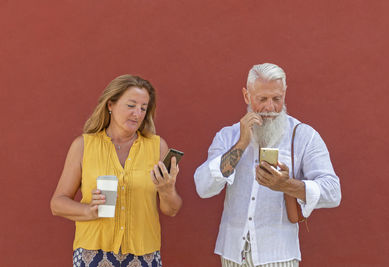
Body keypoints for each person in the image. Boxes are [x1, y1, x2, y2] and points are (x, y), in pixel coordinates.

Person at [194, 63, 341, 267]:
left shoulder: (304, 135)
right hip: (232, 254)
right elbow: (203, 187)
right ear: (247, 96)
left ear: (285, 93)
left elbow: (333, 192)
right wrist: (242, 143)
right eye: (262, 99)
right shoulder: (229, 136)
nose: (270, 108)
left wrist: (286, 185)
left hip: (278, 255)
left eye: (277, 99)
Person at [50, 74, 182, 267]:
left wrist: (167, 189)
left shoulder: (157, 147)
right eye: (131, 105)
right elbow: (57, 204)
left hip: (144, 255)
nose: (137, 113)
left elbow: (172, 210)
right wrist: (89, 211)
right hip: (92, 253)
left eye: (143, 108)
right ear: (110, 105)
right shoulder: (83, 146)